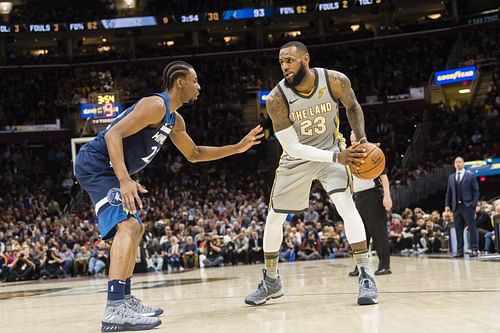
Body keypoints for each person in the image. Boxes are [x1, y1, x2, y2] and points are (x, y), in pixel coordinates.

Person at [74, 60, 263, 332]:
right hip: (97, 165)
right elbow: (113, 134)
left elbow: (194, 153)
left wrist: (236, 148)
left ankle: (124, 299)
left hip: (111, 170)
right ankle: (114, 308)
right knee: (127, 225)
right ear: (179, 82)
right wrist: (125, 179)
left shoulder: (174, 119)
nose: (199, 86)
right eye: (195, 80)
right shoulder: (156, 105)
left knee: (135, 226)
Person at [245, 41, 378, 307]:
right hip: (298, 158)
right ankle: (271, 280)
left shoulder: (335, 80)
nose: (284, 67)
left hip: (331, 146)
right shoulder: (276, 98)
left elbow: (352, 106)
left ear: (305, 59)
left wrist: (361, 140)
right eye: (281, 62)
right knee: (273, 219)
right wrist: (336, 157)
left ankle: (366, 274)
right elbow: (292, 146)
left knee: (345, 204)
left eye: (290, 61)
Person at [348, 131, 393, 276]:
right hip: (357, 197)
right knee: (360, 233)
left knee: (378, 232)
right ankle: (360, 266)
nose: (354, 141)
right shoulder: (348, 155)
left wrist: (387, 196)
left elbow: (384, 177)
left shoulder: (371, 152)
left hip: (373, 195)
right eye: (352, 139)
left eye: (356, 138)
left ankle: (385, 265)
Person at [445, 156, 480, 257]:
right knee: (458, 229)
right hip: (456, 206)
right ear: (454, 164)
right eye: (456, 162)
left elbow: (476, 191)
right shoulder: (451, 177)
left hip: (467, 205)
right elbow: (449, 192)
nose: (458, 164)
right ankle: (460, 250)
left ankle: (475, 249)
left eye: (460, 162)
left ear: (463, 163)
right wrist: (447, 205)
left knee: (471, 227)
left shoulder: (470, 176)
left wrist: (473, 204)